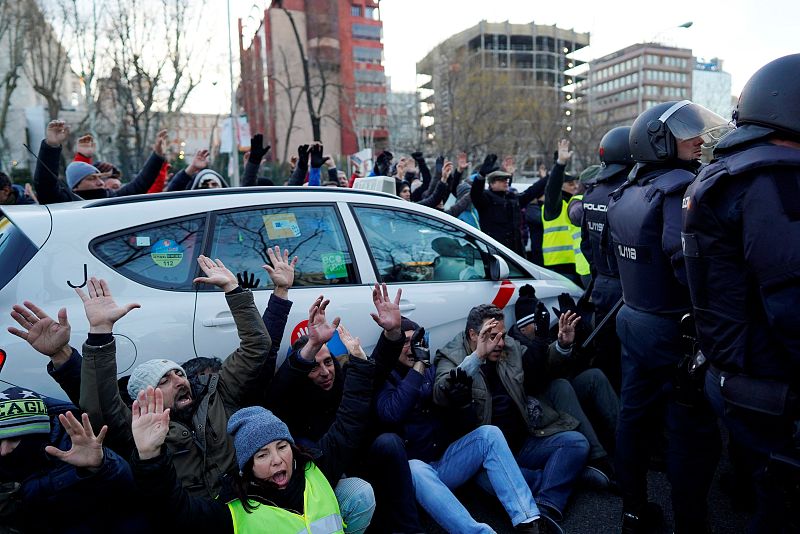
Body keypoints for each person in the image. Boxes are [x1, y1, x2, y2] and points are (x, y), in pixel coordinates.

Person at [682, 53, 800, 534]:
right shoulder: (775, 179)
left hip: (730, 364)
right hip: (769, 377)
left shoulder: (727, 172)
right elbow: (792, 306)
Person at [606, 100, 730, 534]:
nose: (698, 139)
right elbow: (690, 268)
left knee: (633, 420)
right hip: (675, 334)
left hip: (634, 321)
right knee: (690, 437)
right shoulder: (678, 190)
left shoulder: (627, 192)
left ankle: (634, 511)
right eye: (685, 133)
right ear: (658, 142)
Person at [129, 328, 376, 534]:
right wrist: (150, 456)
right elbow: (174, 510)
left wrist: (360, 365)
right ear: (246, 467)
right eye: (262, 455)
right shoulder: (232, 512)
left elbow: (349, 423)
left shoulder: (314, 470)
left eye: (282, 447)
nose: (277, 460)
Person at [75, 252, 281, 498]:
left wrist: (233, 290)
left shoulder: (217, 393)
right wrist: (100, 332)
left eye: (178, 373)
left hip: (247, 504)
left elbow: (257, 346)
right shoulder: (137, 426)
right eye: (164, 380)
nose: (179, 381)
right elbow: (99, 404)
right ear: (144, 398)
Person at [267, 284, 424, 533]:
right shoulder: (290, 398)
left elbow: (375, 368)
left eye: (328, 362)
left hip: (359, 460)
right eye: (314, 366)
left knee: (389, 442)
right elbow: (278, 390)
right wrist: (311, 347)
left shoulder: (342, 377)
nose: (325, 371)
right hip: (325, 474)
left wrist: (393, 333)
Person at [377, 316, 555, 533]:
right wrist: (417, 368)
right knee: (414, 467)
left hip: (445, 464)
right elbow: (392, 413)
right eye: (404, 342)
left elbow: (450, 381)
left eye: (415, 341)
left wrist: (475, 361)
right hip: (416, 477)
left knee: (489, 434)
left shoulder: (431, 370)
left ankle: (529, 521)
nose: (411, 347)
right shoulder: (385, 377)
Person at [434, 304, 590, 530]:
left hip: (523, 443)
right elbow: (440, 391)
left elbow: (540, 367)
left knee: (576, 443)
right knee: (486, 483)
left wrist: (562, 345)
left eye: (502, 335)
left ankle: (546, 507)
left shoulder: (509, 347)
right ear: (473, 335)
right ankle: (551, 478)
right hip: (488, 460)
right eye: (492, 336)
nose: (499, 342)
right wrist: (478, 357)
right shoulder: (451, 354)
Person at [507, 285, 619, 488]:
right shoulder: (514, 344)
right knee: (561, 386)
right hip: (540, 401)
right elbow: (536, 375)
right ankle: (598, 460)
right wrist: (547, 343)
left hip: (558, 389)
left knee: (594, 376)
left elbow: (569, 365)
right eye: (535, 323)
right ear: (523, 327)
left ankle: (626, 444)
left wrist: (574, 337)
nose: (541, 324)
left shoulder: (542, 334)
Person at [0, 386, 147, 532]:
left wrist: (100, 466)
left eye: (14, 439)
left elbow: (128, 493)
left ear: (37, 436)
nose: (4, 451)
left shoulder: (75, 452)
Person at [579, 126, 635, 391]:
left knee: (605, 357)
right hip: (627, 292)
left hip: (601, 286)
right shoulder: (628, 192)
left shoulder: (592, 193)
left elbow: (586, 245)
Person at [33, 120, 167, 203]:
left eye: (99, 177)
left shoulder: (112, 198)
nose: (100, 182)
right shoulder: (65, 202)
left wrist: (157, 156)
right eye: (91, 179)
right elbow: (45, 185)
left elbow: (141, 184)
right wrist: (51, 145)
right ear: (75, 186)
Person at [470, 154, 541, 255]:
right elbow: (475, 194)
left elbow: (532, 191)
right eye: (501, 180)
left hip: (515, 252)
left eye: (507, 180)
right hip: (495, 253)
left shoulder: (513, 199)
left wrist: (553, 172)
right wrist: (481, 176)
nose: (506, 182)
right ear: (492, 184)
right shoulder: (486, 199)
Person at [541, 140, 587, 287]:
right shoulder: (555, 206)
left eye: (576, 184)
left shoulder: (575, 203)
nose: (575, 187)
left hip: (577, 264)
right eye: (570, 184)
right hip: (559, 265)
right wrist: (560, 164)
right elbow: (552, 189)